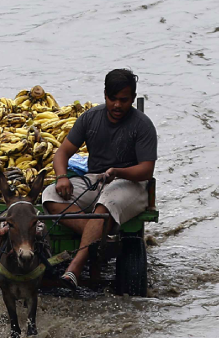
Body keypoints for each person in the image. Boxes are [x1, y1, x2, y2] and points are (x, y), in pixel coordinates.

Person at [42, 69, 156, 288]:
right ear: (105, 95)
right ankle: (101, 238)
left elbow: (146, 170)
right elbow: (62, 153)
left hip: (131, 182)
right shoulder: (90, 118)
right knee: (49, 195)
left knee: (106, 204)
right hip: (95, 178)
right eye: (112, 99)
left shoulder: (142, 125)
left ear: (132, 98)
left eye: (123, 100)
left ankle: (74, 267)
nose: (117, 105)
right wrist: (62, 177)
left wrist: (119, 172)